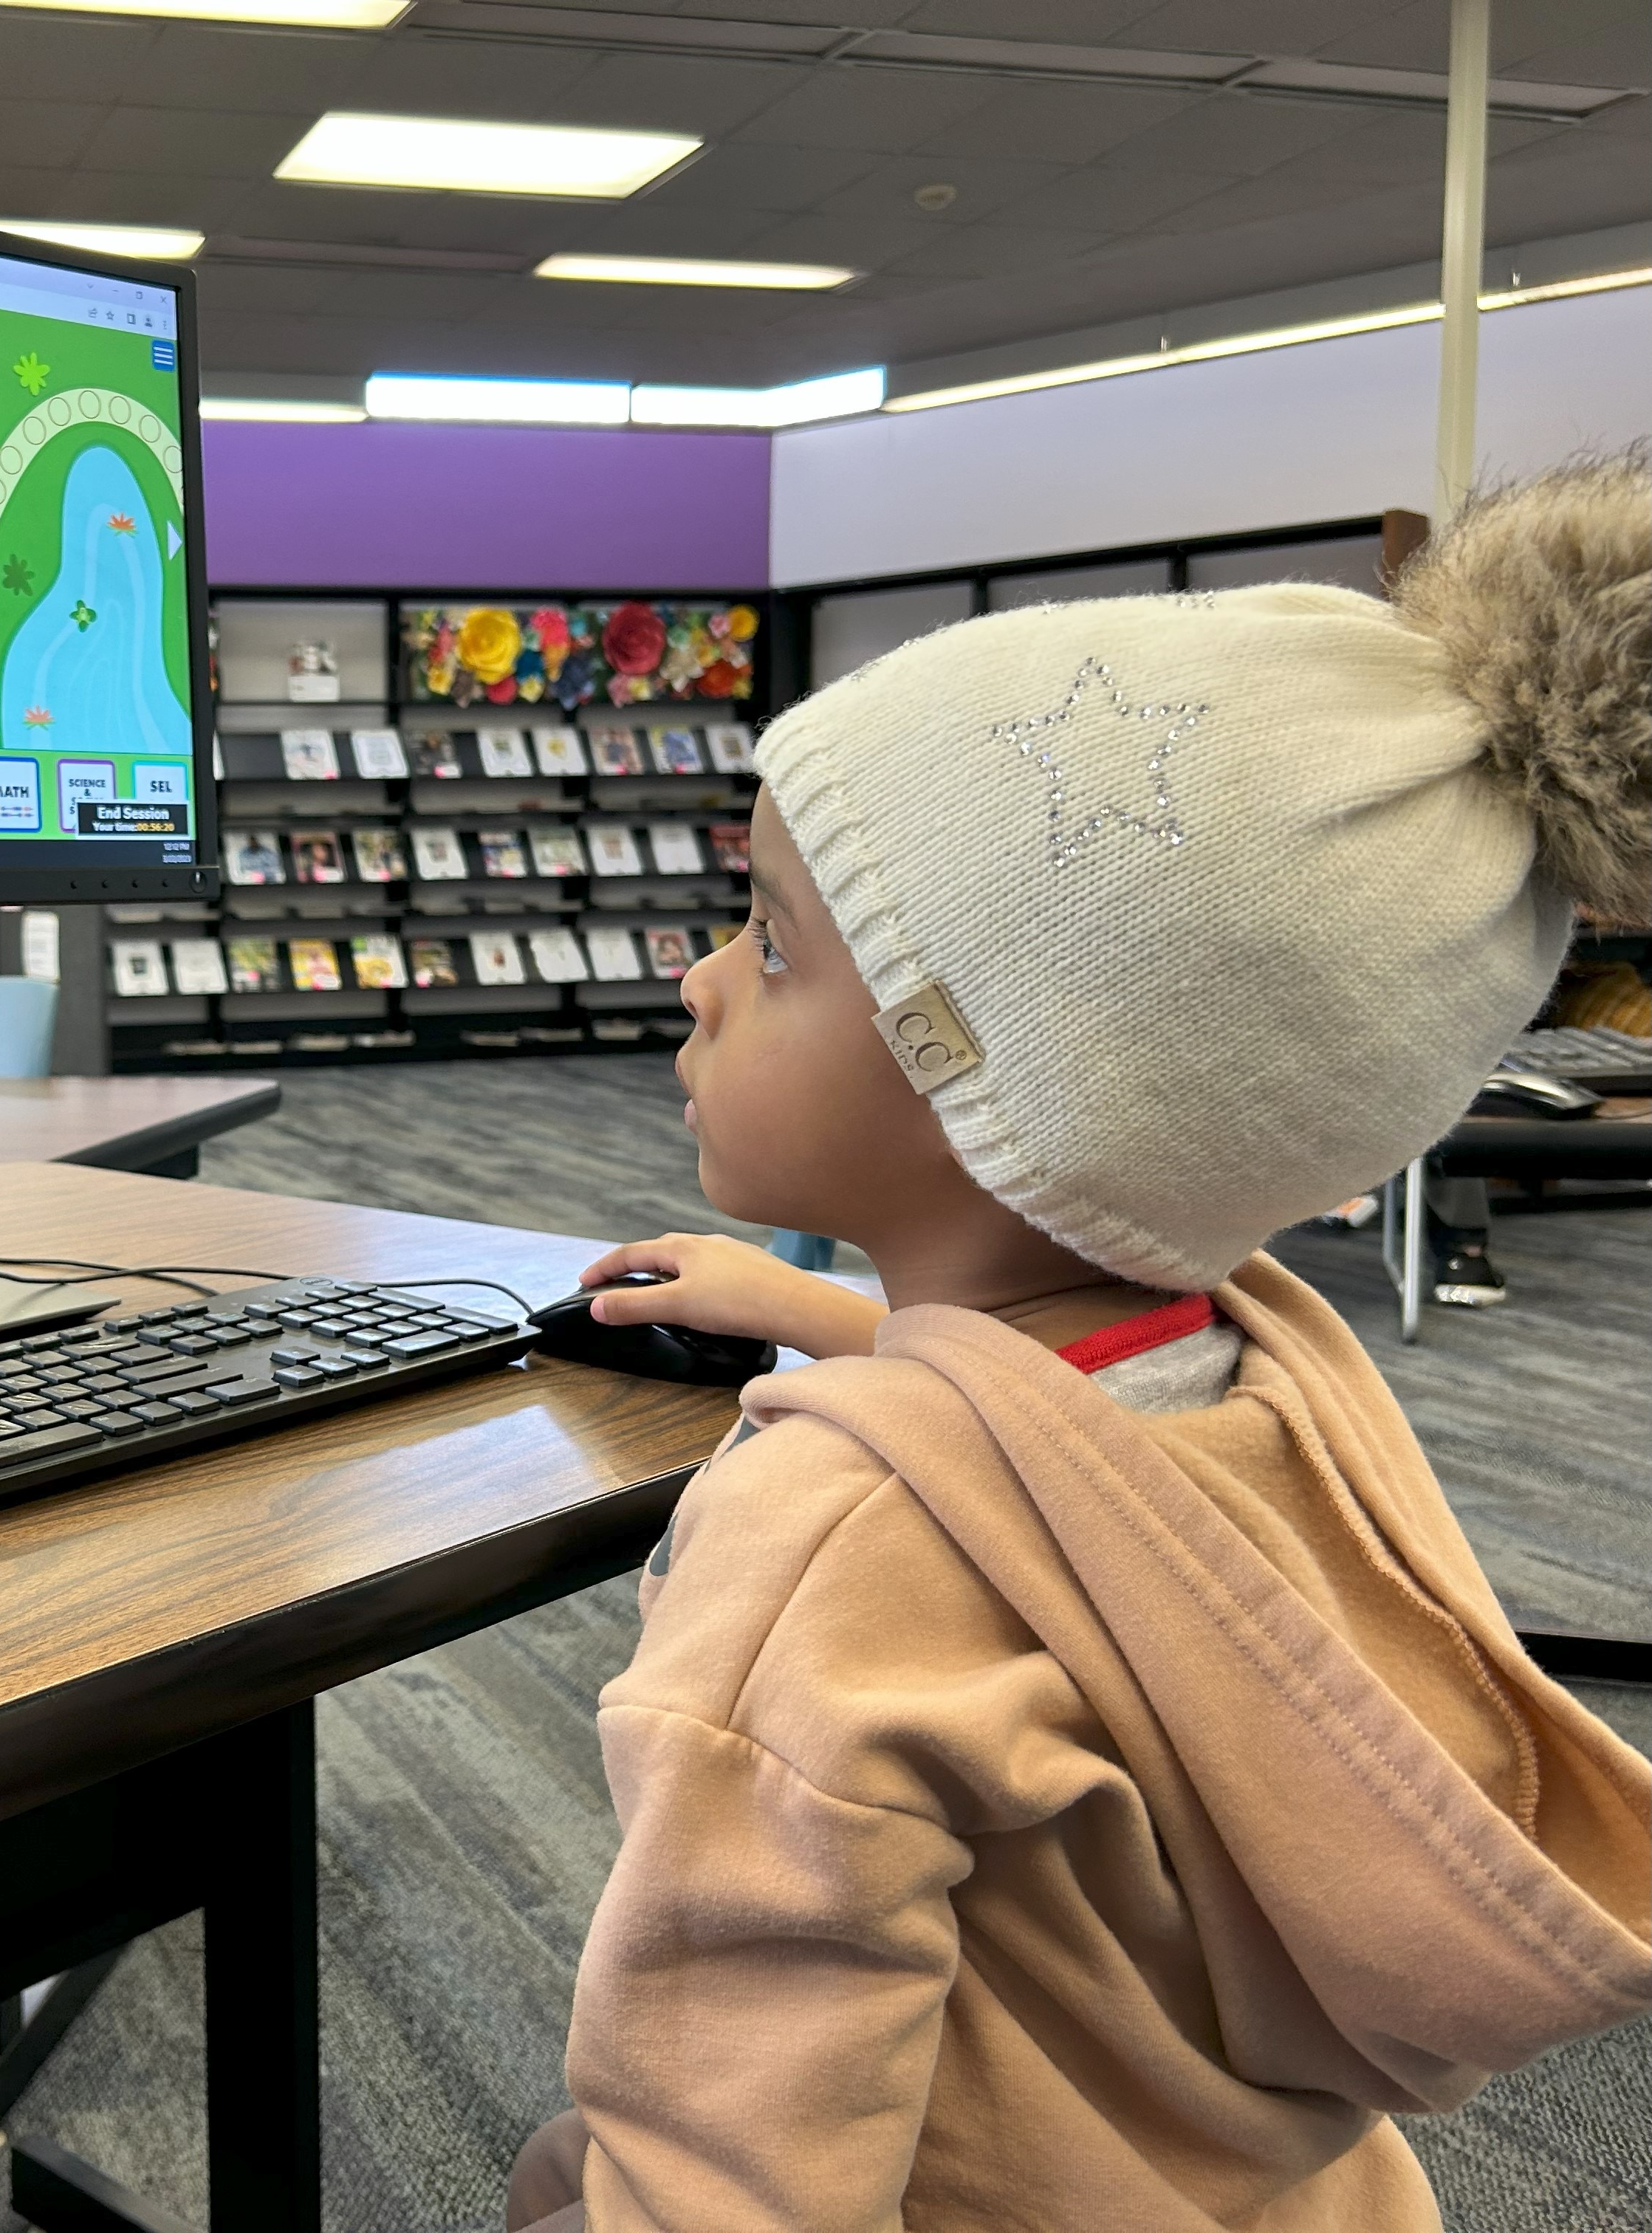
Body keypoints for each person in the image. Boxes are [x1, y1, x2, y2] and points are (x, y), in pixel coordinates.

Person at [507, 454, 1651, 2232]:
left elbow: (730, 2157)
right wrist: (840, 1320)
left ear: (1012, 1107)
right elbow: (1069, 1433)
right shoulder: (1276, 1374)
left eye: (781, 946)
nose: (702, 981)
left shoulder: (827, 1548)